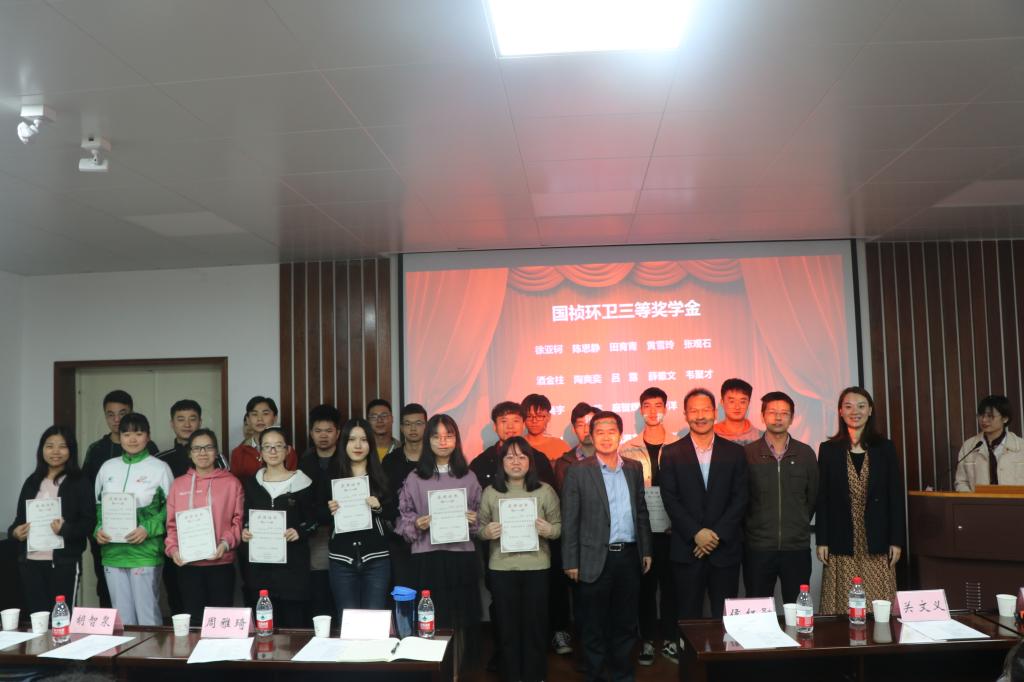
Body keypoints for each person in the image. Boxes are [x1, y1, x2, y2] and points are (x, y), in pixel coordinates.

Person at [561, 410, 652, 682]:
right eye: (599, 432)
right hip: (593, 558)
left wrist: (646, 549)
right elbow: (570, 518)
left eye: (611, 431)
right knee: (593, 626)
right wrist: (570, 560)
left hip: (628, 557)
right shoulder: (578, 471)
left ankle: (623, 674)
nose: (606, 437)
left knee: (625, 623)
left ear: (620, 435)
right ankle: (597, 676)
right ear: (591, 436)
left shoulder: (634, 468)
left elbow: (641, 511)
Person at [396, 414, 483, 670]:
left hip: (461, 556)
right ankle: (436, 671)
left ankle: (461, 671)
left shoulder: (468, 477)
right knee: (432, 617)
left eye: (449, 436)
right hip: (428, 557)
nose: (443, 442)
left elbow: (482, 518)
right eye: (436, 436)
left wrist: (474, 520)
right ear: (428, 440)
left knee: (463, 617)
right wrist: (417, 524)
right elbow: (403, 519)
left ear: (456, 440)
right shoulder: (415, 477)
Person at [478, 437, 561, 682]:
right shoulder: (491, 492)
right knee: (507, 627)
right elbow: (479, 529)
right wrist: (486, 532)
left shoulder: (545, 491)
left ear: (530, 462)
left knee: (535, 626)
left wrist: (549, 530)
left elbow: (559, 527)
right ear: (501, 462)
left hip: (537, 567)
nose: (516, 462)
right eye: (510, 457)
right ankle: (511, 675)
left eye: (522, 457)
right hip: (502, 568)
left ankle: (535, 676)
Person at [660, 388, 748, 620]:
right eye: (694, 411)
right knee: (688, 617)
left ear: (715, 412)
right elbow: (670, 499)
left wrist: (715, 536)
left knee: (726, 619)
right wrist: (696, 533)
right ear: (685, 415)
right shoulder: (671, 453)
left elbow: (740, 498)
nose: (700, 416)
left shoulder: (735, 452)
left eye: (705, 410)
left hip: (725, 550)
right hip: (687, 550)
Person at [816, 387, 904, 614]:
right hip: (841, 536)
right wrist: (822, 540)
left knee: (877, 603)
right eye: (848, 406)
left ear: (870, 410)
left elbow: (895, 497)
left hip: (877, 537)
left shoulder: (885, 448)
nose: (855, 411)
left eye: (861, 406)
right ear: (840, 411)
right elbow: (822, 498)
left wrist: (896, 540)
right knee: (842, 605)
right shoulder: (828, 450)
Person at [93, 413, 173, 626]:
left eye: (138, 433)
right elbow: (99, 508)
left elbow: (171, 509)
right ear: (119, 437)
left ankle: (149, 650)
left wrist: (148, 528)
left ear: (148, 436)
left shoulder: (160, 468)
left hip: (145, 552)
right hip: (112, 552)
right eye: (126, 434)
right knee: (122, 619)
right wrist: (98, 529)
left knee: (147, 616)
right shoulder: (107, 468)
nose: (132, 439)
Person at [82, 390, 159, 608]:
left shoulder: (151, 451)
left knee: (145, 604)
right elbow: (90, 495)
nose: (116, 419)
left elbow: (162, 503)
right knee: (107, 590)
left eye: (122, 413)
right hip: (108, 539)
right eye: (110, 414)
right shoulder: (97, 450)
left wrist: (148, 528)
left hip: (143, 544)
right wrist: (96, 529)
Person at [619, 387, 679, 665]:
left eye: (658, 405)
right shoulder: (626, 448)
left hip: (673, 529)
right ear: (641, 410)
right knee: (644, 587)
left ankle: (669, 638)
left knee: (671, 586)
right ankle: (646, 640)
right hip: (642, 530)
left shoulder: (679, 444)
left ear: (666, 409)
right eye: (647, 406)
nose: (653, 411)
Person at [9, 426, 94, 613]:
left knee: (61, 618)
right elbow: (19, 520)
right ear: (42, 450)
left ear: (71, 450)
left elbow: (89, 523)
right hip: (30, 562)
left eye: (62, 446)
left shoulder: (80, 482)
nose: (55, 451)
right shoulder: (32, 481)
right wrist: (15, 532)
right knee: (38, 619)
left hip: (63, 564)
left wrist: (66, 529)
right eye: (49, 446)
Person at [743, 391, 818, 603]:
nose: (778, 418)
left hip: (796, 548)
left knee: (797, 607)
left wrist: (798, 522)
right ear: (763, 416)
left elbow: (812, 497)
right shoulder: (748, 454)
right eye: (772, 412)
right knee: (758, 607)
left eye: (784, 413)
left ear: (792, 418)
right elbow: (743, 498)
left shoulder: (805, 453)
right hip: (758, 547)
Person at [164, 429, 243, 626]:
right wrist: (173, 550)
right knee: (194, 623)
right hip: (188, 566)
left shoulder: (232, 483)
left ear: (216, 452)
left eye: (208, 447)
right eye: (197, 448)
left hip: (221, 563)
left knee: (220, 622)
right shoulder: (178, 485)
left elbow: (238, 521)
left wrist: (225, 544)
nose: (202, 453)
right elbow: (171, 525)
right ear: (190, 453)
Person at [241, 427, 318, 627]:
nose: (273, 451)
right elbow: (245, 518)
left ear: (287, 450)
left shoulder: (303, 483)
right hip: (260, 567)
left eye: (278, 446)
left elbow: (314, 521)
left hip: (293, 567)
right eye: (267, 447)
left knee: (294, 625)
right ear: (261, 452)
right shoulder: (252, 484)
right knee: (264, 624)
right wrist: (245, 530)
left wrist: (299, 531)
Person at [327, 418, 396, 619]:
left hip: (376, 557)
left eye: (364, 440)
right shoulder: (332, 474)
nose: (358, 445)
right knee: (348, 620)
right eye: (352, 439)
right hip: (342, 558)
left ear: (370, 444)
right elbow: (317, 514)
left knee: (374, 621)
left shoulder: (382, 473)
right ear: (343, 443)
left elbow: (394, 511)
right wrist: (329, 509)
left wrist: (379, 507)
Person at [550, 401, 598, 657]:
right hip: (578, 542)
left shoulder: (616, 459)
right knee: (581, 600)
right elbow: (563, 506)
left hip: (608, 541)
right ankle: (585, 655)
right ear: (574, 428)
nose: (586, 430)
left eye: (591, 424)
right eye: (580, 425)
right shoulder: (564, 463)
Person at [156, 398, 208, 617]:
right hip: (174, 538)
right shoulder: (160, 461)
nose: (187, 424)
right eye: (180, 419)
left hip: (208, 538)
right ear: (172, 423)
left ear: (200, 422)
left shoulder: (214, 457)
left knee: (207, 597)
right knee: (176, 594)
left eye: (192, 419)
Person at [298, 404, 342, 617]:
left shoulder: (346, 461)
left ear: (338, 433)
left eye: (328, 430)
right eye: (318, 431)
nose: (323, 436)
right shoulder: (304, 462)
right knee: (320, 589)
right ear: (311, 433)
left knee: (341, 590)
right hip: (315, 536)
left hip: (343, 533)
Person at [382, 402, 429, 589]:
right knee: (404, 589)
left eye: (418, 423)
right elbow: (385, 498)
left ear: (426, 426)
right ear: (401, 428)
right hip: (400, 539)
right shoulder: (390, 461)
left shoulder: (434, 459)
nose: (413, 429)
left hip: (431, 536)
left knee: (430, 589)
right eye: (408, 424)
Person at [471, 401, 556, 490]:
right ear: (495, 427)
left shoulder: (538, 459)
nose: (510, 426)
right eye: (504, 421)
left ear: (523, 425)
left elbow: (550, 493)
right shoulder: (481, 462)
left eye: (516, 421)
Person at [955, 395, 1024, 491]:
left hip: (1015, 500)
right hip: (978, 500)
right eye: (981, 415)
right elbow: (961, 482)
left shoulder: (1021, 446)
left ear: (1005, 418)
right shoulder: (968, 446)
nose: (984, 420)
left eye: (990, 416)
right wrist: (972, 499)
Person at [230, 396, 298, 478]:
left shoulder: (287, 451)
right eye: (254, 414)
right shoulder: (238, 453)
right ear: (248, 420)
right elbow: (236, 483)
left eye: (265, 414)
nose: (260, 419)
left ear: (275, 418)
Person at [522, 394, 570, 463]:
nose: (534, 421)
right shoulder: (517, 445)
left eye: (539, 416)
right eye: (529, 416)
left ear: (548, 417)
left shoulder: (560, 446)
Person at [714, 378, 763, 446]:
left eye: (742, 402)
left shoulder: (760, 436)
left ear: (748, 403)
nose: (737, 407)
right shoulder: (710, 434)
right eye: (732, 401)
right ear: (722, 402)